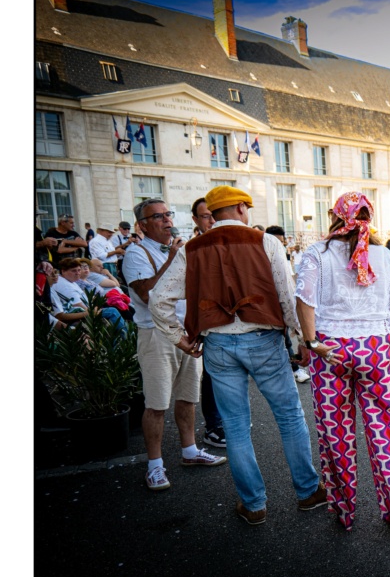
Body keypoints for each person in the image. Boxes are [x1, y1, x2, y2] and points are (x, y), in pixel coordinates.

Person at [149, 186, 325, 525]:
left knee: (235, 426)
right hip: (263, 339)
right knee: (289, 417)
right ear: (243, 208)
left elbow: (158, 299)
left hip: (217, 344)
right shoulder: (266, 242)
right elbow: (287, 298)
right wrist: (300, 340)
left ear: (212, 215)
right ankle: (307, 492)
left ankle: (254, 504)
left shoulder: (192, 248)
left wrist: (180, 339)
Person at [294, 192, 390, 531]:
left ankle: (344, 511)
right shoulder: (382, 255)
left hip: (330, 348)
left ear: (336, 216)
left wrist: (310, 342)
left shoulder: (317, 254)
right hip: (376, 348)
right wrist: (381, 341)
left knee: (336, 432)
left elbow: (304, 302)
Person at [122, 199, 225, 491]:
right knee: (156, 403)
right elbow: (145, 294)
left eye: (168, 214)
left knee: (188, 396)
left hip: (187, 330)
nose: (167, 220)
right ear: (142, 225)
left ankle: (190, 451)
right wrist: (173, 259)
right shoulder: (135, 253)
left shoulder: (183, 247)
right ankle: (154, 465)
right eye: (158, 217)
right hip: (155, 335)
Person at [190, 197, 226, 448]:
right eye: (205, 216)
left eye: (214, 215)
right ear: (195, 220)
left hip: (228, 321)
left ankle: (226, 420)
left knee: (228, 376)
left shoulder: (226, 244)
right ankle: (213, 426)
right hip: (205, 322)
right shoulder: (192, 248)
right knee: (210, 377)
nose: (212, 221)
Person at [266, 225, 311, 384]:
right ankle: (295, 370)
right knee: (284, 342)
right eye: (276, 242)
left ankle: (294, 369)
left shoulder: (281, 253)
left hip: (282, 309)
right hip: (271, 311)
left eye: (282, 243)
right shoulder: (264, 252)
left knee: (285, 341)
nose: (280, 245)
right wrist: (302, 335)